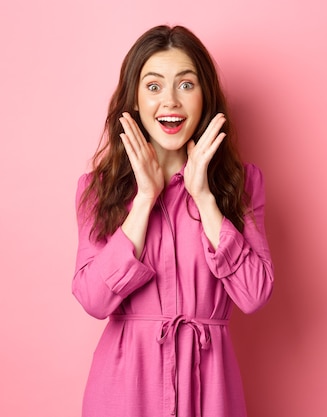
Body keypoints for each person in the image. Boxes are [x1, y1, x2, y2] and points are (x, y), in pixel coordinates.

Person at [72, 25, 274, 417]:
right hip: (125, 391)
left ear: (205, 96)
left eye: (186, 85)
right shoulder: (99, 189)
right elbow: (94, 300)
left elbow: (254, 294)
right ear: (133, 98)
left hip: (210, 390)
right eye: (153, 86)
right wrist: (145, 199)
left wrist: (204, 197)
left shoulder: (243, 184)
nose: (170, 101)